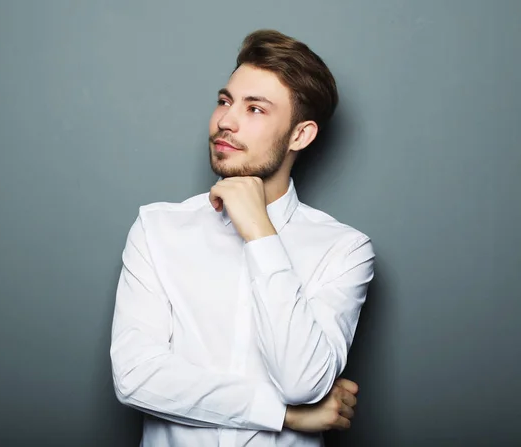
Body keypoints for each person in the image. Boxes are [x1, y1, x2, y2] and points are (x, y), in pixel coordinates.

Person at [110, 29, 375, 447]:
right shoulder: (157, 229)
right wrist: (284, 415)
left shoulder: (344, 250)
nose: (226, 121)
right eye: (225, 101)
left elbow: (303, 382)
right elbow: (135, 377)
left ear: (300, 136)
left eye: (255, 109)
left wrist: (259, 231)